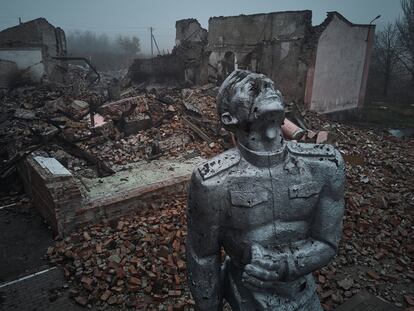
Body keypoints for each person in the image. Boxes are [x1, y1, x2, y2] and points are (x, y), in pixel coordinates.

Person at [186, 70, 345, 311]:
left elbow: (328, 242)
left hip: (303, 292)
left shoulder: (325, 165)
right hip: (246, 296)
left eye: (267, 83)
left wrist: (285, 264)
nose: (263, 84)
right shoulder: (213, 182)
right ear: (229, 119)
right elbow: (203, 258)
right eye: (244, 86)